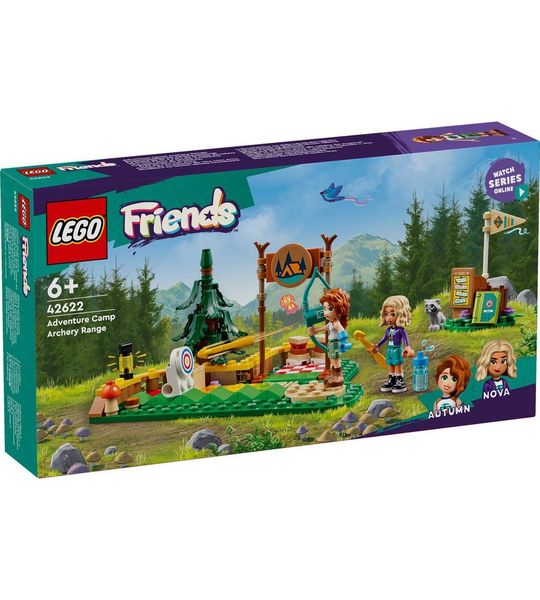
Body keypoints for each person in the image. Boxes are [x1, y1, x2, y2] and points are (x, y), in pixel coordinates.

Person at [307, 288, 351, 388]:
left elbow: (342, 331)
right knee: (332, 358)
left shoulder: (336, 323)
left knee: (336, 359)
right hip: (331, 343)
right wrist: (315, 330)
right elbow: (326, 328)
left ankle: (339, 376)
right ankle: (334, 374)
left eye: (330, 309)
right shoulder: (331, 323)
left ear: (339, 309)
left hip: (335, 343)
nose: (326, 313)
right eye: (324, 309)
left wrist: (344, 342)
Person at [371, 295, 414, 393]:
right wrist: (377, 345)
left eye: (393, 314)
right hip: (389, 349)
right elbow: (384, 338)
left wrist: (407, 347)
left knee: (397, 364)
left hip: (397, 349)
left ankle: (400, 381)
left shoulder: (401, 330)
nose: (388, 318)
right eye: (386, 314)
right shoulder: (388, 330)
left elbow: (405, 339)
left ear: (400, 314)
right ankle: (392, 380)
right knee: (390, 364)